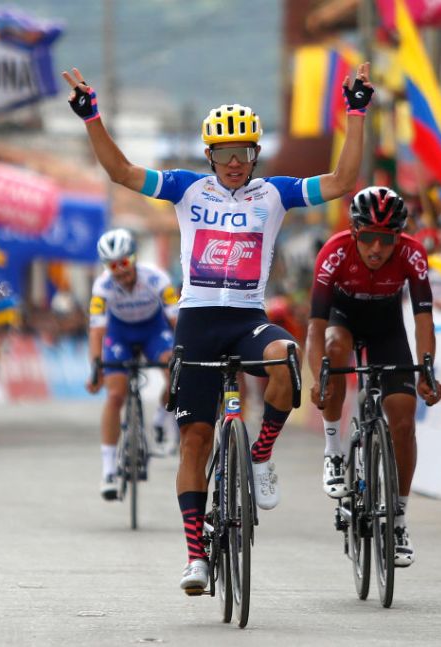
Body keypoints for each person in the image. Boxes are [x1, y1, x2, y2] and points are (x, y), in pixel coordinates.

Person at [62, 62, 373, 595]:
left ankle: (260, 456)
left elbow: (344, 182)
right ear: (209, 155)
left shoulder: (274, 194)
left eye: (243, 152)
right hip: (198, 322)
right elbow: (122, 172)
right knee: (195, 442)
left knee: (284, 358)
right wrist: (92, 117)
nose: (234, 162)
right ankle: (196, 558)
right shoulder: (186, 189)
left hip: (248, 320)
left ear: (256, 154)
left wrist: (356, 111)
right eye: (225, 152)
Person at [305, 186, 441, 568]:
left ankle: (397, 519)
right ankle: (334, 452)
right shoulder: (334, 252)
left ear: (398, 236)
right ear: (354, 232)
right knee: (334, 351)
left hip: (387, 327)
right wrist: (319, 378)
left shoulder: (413, 254)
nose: (377, 248)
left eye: (386, 239)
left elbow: (423, 320)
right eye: (368, 238)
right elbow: (315, 326)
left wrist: (427, 369)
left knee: (403, 420)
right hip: (343, 319)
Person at [87, 228, 179, 499]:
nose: (120, 271)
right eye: (113, 266)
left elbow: (176, 320)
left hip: (154, 330)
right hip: (120, 334)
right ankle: (108, 470)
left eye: (124, 262)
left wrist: (187, 352)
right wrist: (96, 367)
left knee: (176, 372)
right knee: (115, 395)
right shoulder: (102, 287)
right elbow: (96, 330)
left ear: (134, 258)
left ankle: (162, 417)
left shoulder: (158, 278)